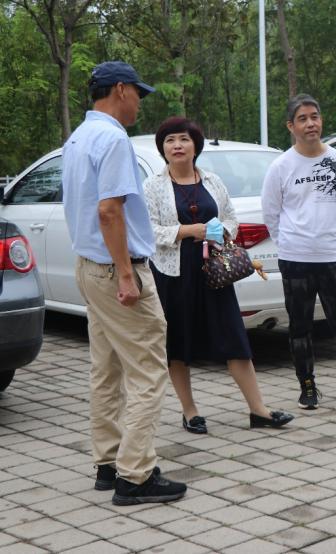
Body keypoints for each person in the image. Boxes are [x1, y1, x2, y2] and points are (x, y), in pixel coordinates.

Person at [62, 61, 186, 506]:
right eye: (138, 93)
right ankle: (135, 475)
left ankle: (108, 462)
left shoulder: (78, 138)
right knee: (149, 369)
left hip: (89, 267)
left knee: (106, 369)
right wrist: (128, 274)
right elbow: (109, 211)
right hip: (117, 271)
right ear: (120, 90)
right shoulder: (113, 139)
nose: (139, 102)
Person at [143, 116, 294, 434]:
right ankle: (190, 411)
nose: (177, 145)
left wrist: (220, 230)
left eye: (183, 139)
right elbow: (149, 231)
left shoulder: (212, 180)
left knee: (234, 336)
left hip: (215, 272)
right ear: (163, 149)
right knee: (178, 343)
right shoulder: (153, 186)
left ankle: (259, 410)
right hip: (173, 274)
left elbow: (231, 219)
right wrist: (189, 231)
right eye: (170, 140)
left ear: (195, 145)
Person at [261, 94, 336, 410]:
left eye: (314, 117)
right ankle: (307, 387)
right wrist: (289, 244)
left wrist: (331, 236)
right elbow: (271, 213)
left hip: (332, 257)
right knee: (300, 327)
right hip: (295, 260)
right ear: (290, 126)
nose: (310, 124)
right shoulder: (281, 166)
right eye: (302, 119)